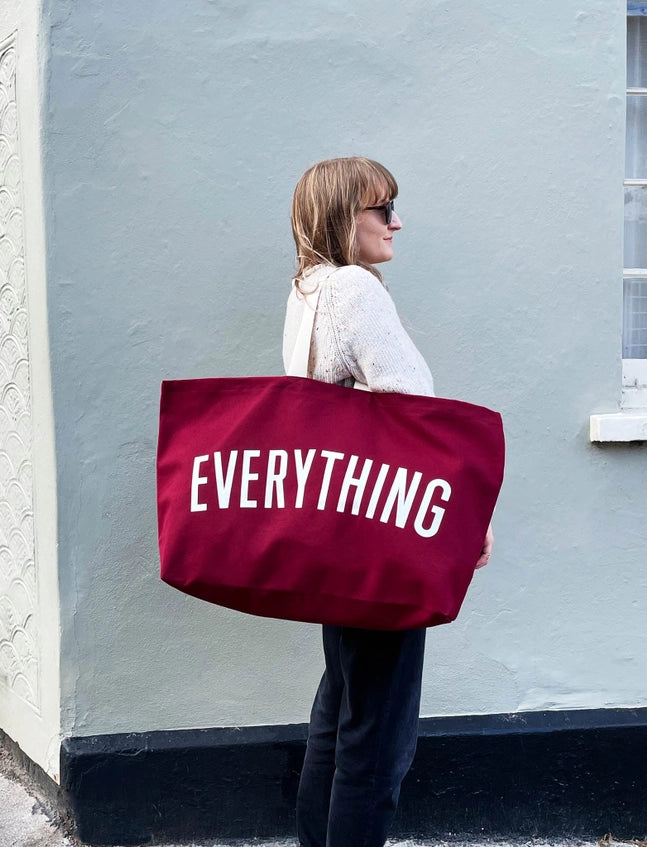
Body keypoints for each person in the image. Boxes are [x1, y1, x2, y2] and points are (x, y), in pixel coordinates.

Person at [282, 157, 493, 847]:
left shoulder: (306, 290)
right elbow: (413, 416)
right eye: (383, 208)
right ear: (346, 216)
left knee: (339, 710)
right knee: (378, 736)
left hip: (333, 535)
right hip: (382, 537)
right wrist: (464, 523)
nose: (396, 221)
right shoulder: (353, 289)